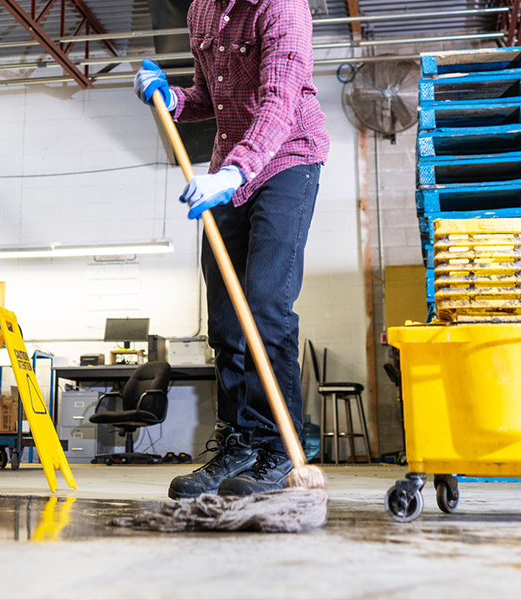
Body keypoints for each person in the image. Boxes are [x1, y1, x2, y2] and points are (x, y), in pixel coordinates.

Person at [134, 0, 329, 498]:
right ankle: (239, 442)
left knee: (264, 305)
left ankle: (278, 450)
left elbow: (280, 99)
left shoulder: (282, 7)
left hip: (286, 158)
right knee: (224, 319)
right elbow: (211, 96)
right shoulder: (201, 9)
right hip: (230, 168)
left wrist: (234, 173)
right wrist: (172, 98)